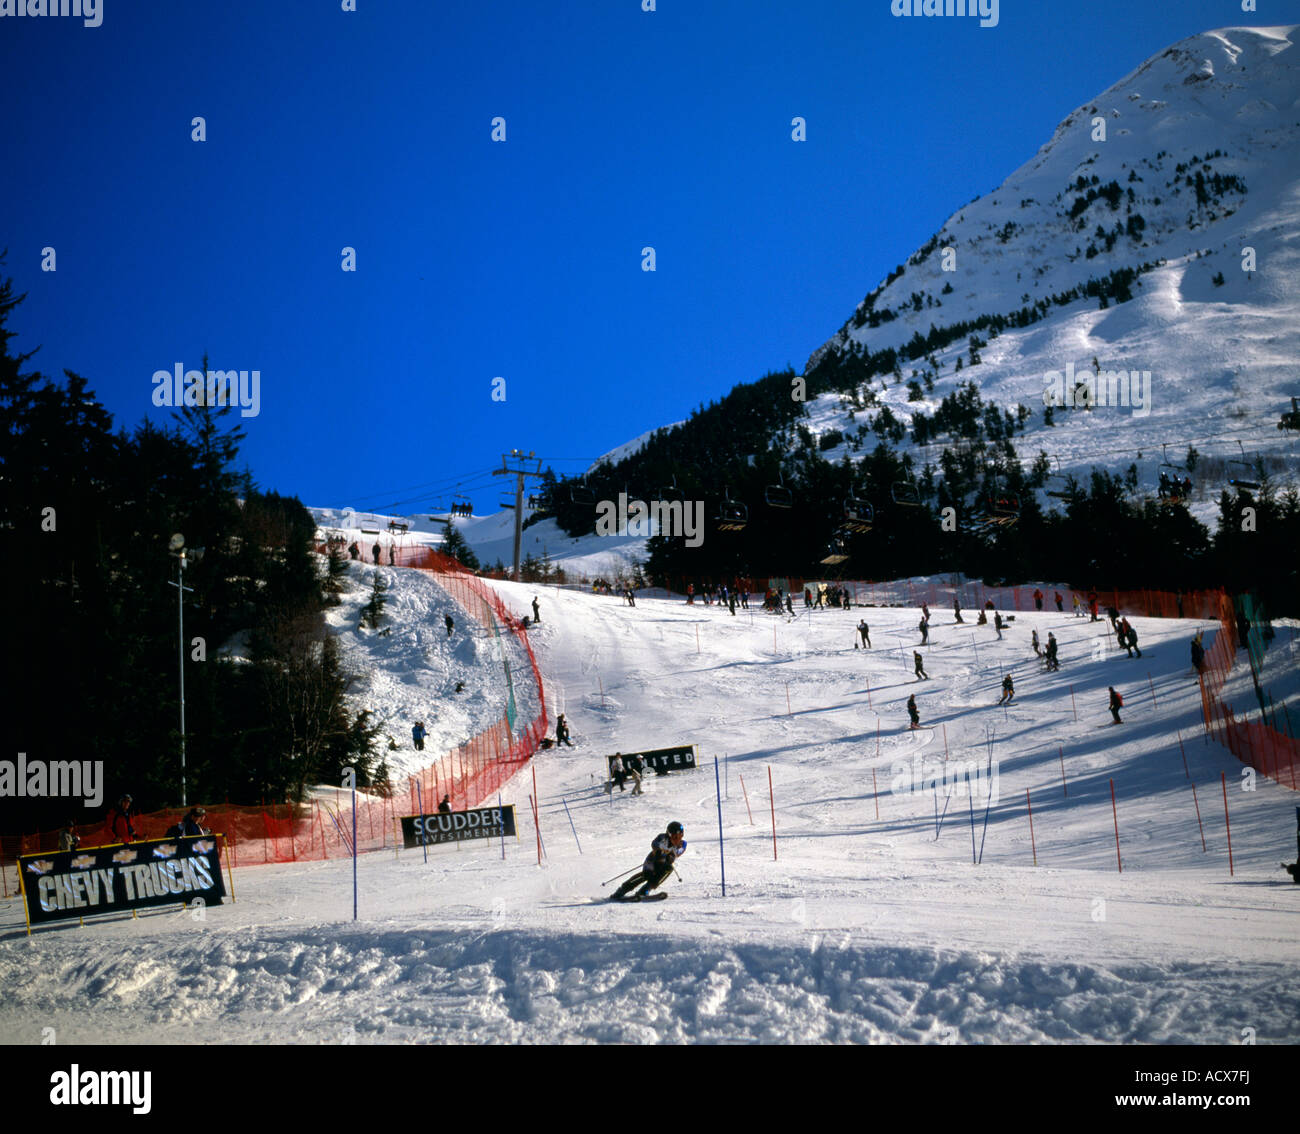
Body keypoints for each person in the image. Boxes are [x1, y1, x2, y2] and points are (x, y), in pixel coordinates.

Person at [611, 821, 687, 900]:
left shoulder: (682, 844)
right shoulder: (663, 838)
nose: (677, 840)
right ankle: (622, 890)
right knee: (646, 875)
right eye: (675, 837)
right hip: (652, 861)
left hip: (664, 864)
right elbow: (655, 843)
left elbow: (679, 851)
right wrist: (659, 850)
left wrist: (672, 856)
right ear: (669, 834)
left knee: (668, 869)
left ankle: (645, 890)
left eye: (680, 836)